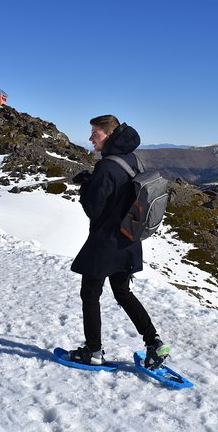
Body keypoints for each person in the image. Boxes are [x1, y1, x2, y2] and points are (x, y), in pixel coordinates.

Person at [68, 115, 170, 369]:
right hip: (128, 240)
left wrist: (86, 186)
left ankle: (93, 351)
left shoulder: (106, 166)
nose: (91, 138)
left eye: (96, 134)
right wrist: (94, 182)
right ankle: (154, 342)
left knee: (90, 294)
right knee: (123, 292)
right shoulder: (132, 158)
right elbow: (121, 195)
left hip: (105, 244)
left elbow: (94, 208)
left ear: (110, 135)